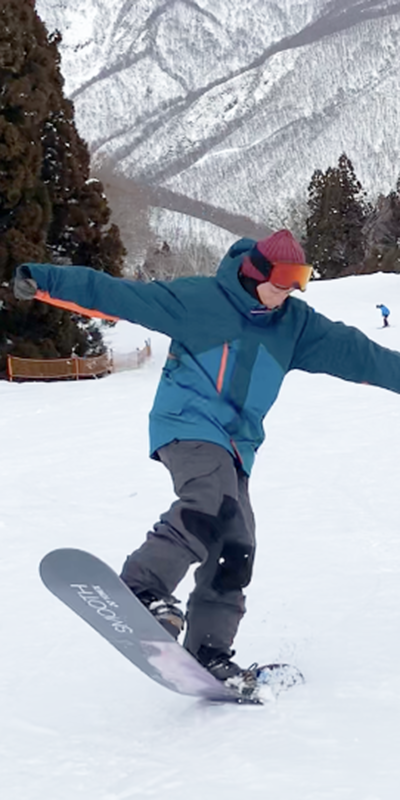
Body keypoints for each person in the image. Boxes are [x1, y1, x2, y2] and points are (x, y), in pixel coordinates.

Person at [13, 230, 400, 695]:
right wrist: (44, 279)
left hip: (238, 446)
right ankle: (143, 586)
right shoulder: (199, 300)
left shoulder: (295, 325)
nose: (290, 291)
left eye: (301, 280)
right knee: (208, 498)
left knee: (238, 543)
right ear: (254, 271)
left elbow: (363, 356)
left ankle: (210, 651)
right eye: (282, 280)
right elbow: (116, 294)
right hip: (187, 424)